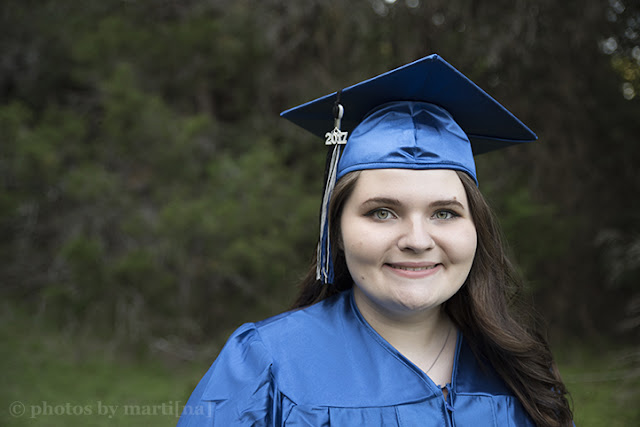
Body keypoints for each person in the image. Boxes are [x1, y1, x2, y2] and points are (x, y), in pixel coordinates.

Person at [177, 54, 573, 426]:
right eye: (382, 212)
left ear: (476, 230)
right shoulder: (265, 366)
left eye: (445, 213)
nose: (417, 240)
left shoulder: (520, 370)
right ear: (337, 232)